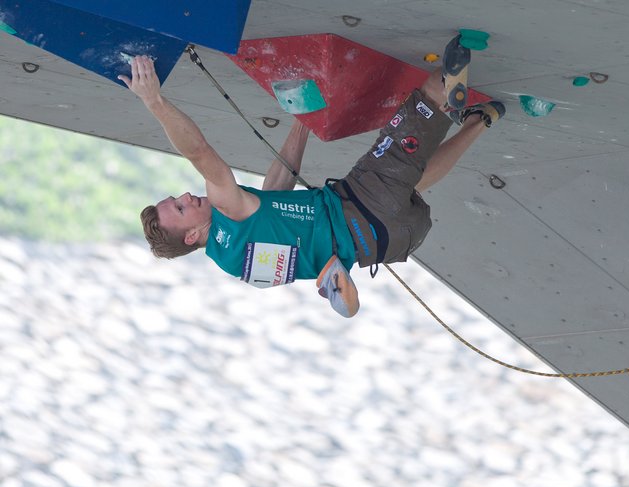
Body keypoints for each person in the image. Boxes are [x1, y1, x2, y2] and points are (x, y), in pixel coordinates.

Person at [122, 35, 505, 317]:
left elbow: (274, 196)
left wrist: (301, 125)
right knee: (427, 99)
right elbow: (199, 152)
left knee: (408, 177)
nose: (187, 197)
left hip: (391, 239)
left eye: (176, 199)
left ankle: (480, 120)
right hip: (363, 203)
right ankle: (447, 88)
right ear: (191, 235)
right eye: (181, 208)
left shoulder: (235, 262)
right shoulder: (225, 209)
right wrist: (154, 101)